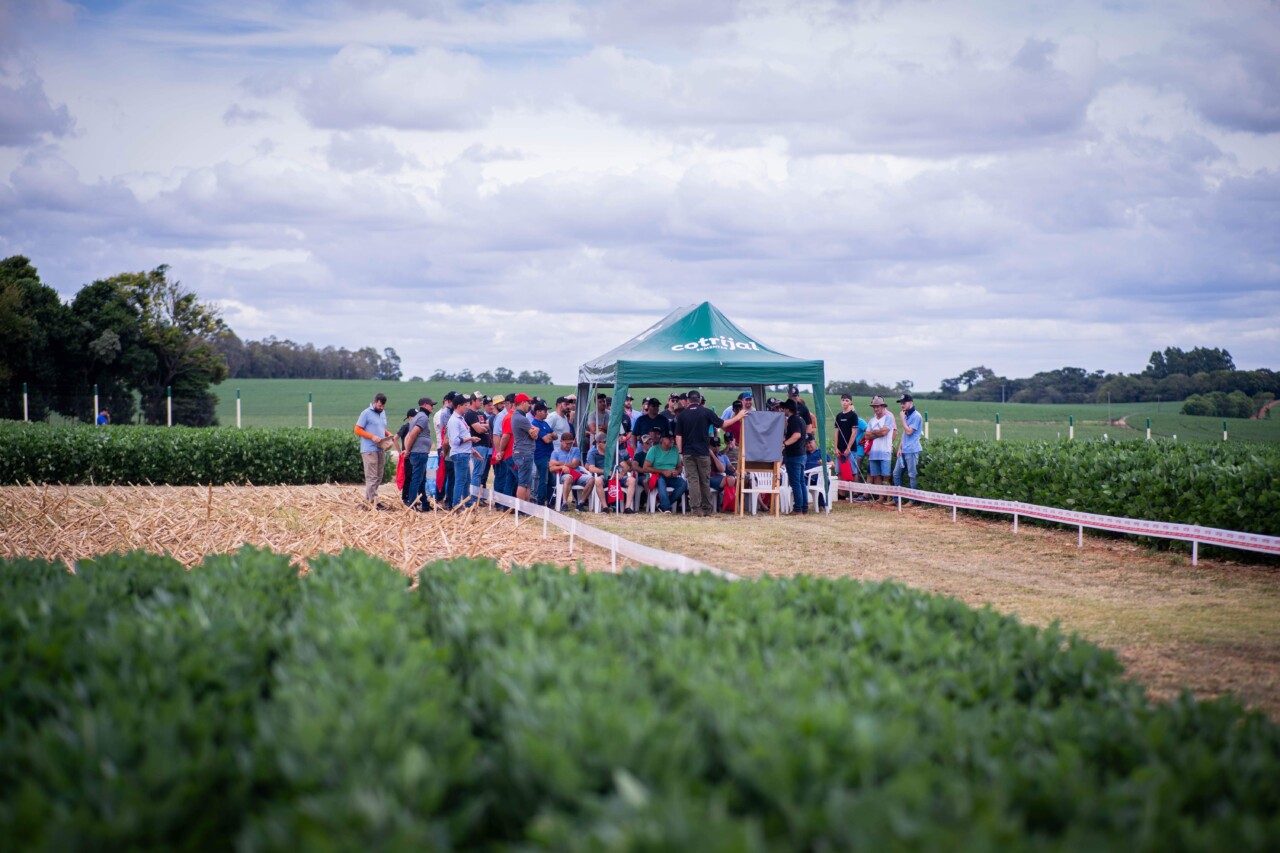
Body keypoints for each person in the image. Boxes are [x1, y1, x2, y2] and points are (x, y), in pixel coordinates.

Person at [675, 390, 746, 517]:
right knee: (705, 480)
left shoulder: (682, 415)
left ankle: (696, 510)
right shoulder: (706, 412)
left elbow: (678, 436)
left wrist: (680, 452)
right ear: (700, 399)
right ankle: (707, 509)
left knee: (693, 481)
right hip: (703, 452)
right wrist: (738, 417)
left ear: (688, 400)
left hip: (688, 452)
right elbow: (723, 424)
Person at [354, 393, 393, 508]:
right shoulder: (366, 413)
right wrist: (372, 437)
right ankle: (374, 502)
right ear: (375, 402)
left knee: (379, 476)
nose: (381, 408)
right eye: (380, 405)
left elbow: (380, 427)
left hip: (381, 448)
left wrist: (388, 434)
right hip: (369, 449)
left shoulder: (383, 413)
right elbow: (357, 429)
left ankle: (367, 501)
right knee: (371, 476)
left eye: (383, 406)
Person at [402, 397, 436, 510]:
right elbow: (413, 434)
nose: (433, 407)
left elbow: (409, 435)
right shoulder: (423, 418)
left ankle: (424, 503)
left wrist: (408, 449)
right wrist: (407, 450)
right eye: (431, 405)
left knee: (420, 479)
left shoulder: (417, 417)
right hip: (420, 452)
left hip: (417, 452)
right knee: (417, 479)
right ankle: (412, 504)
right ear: (425, 405)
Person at [448, 394, 481, 509]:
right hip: (460, 454)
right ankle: (456, 506)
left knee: (467, 481)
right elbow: (455, 441)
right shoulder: (453, 421)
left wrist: (472, 450)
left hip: (464, 453)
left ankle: (468, 503)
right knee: (460, 481)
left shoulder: (461, 419)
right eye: (465, 405)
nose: (467, 407)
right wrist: (470, 439)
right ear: (458, 406)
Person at [640, 431, 686, 513]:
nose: (672, 440)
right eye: (669, 439)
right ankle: (666, 508)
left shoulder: (675, 449)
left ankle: (663, 505)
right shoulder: (654, 449)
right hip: (657, 476)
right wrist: (663, 471)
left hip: (672, 477)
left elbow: (679, 467)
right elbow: (645, 468)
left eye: (673, 438)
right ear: (662, 440)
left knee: (683, 484)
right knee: (661, 480)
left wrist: (677, 471)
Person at [550, 432, 596, 511]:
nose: (568, 446)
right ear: (561, 441)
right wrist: (562, 467)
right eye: (566, 443)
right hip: (564, 476)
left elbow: (574, 464)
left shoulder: (575, 450)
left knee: (591, 479)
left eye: (570, 443)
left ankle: (581, 502)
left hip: (577, 474)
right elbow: (551, 468)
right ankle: (564, 503)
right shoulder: (555, 452)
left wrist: (558, 463)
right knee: (568, 478)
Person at [778, 398, 809, 514]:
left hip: (794, 455)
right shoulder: (800, 419)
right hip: (801, 454)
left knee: (795, 483)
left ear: (787, 409)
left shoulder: (793, 420)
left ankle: (798, 509)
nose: (783, 410)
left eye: (784, 408)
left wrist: (784, 444)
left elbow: (796, 435)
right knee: (801, 482)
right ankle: (804, 507)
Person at [893, 392, 924, 502]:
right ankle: (897, 499)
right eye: (901, 403)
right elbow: (904, 433)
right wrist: (900, 447)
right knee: (896, 474)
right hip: (904, 449)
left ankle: (912, 500)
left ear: (910, 403)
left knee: (912, 475)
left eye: (904, 403)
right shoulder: (907, 415)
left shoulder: (916, 416)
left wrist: (902, 419)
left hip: (912, 450)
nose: (902, 405)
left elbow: (909, 431)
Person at [508, 393, 539, 503]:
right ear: (522, 403)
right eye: (528, 402)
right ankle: (522, 508)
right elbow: (534, 435)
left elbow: (534, 431)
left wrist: (535, 430)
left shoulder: (517, 417)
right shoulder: (522, 418)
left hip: (522, 452)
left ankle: (525, 508)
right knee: (523, 483)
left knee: (526, 482)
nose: (530, 405)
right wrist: (536, 430)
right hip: (524, 452)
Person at [833, 393, 868, 492]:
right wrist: (836, 447)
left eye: (847, 400)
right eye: (843, 400)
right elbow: (836, 432)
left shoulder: (853, 416)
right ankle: (841, 494)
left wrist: (848, 448)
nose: (844, 402)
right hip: (840, 448)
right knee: (839, 471)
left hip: (851, 449)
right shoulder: (839, 416)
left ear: (850, 402)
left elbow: (854, 433)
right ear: (840, 401)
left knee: (853, 471)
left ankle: (855, 493)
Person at [865, 395, 895, 503]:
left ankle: (889, 497)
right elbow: (867, 436)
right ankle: (881, 497)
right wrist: (878, 432)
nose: (876, 409)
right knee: (876, 475)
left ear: (883, 407)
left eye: (878, 407)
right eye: (874, 407)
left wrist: (873, 432)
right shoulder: (871, 420)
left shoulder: (888, 418)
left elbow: (884, 432)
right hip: (873, 452)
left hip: (885, 451)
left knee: (885, 475)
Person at [530, 400, 556, 506]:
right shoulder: (535, 424)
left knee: (551, 480)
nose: (546, 413)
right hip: (541, 455)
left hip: (549, 455)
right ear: (538, 412)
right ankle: (540, 502)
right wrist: (550, 435)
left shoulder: (544, 423)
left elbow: (555, 435)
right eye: (545, 411)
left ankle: (549, 501)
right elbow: (547, 439)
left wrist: (550, 435)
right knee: (543, 480)